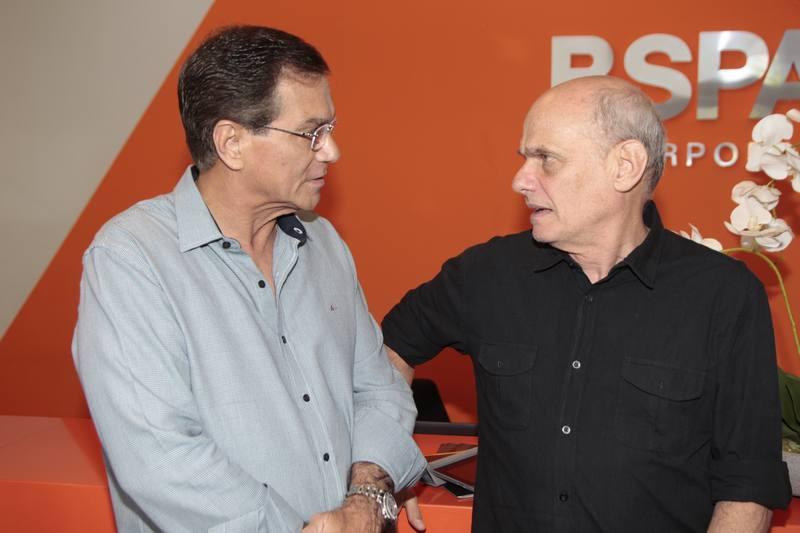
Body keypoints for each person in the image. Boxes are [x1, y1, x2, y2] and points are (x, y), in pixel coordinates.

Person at [384, 76, 790, 532]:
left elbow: (748, 488)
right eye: (525, 158)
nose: (520, 180)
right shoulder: (486, 274)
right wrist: (385, 460)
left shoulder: (724, 296)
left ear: (625, 166)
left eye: (546, 159)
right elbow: (386, 351)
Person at [72, 25, 425, 533]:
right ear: (232, 143)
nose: (331, 151)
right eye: (311, 133)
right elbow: (161, 458)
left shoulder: (324, 245)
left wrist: (367, 497)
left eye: (329, 128)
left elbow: (379, 392)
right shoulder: (132, 259)